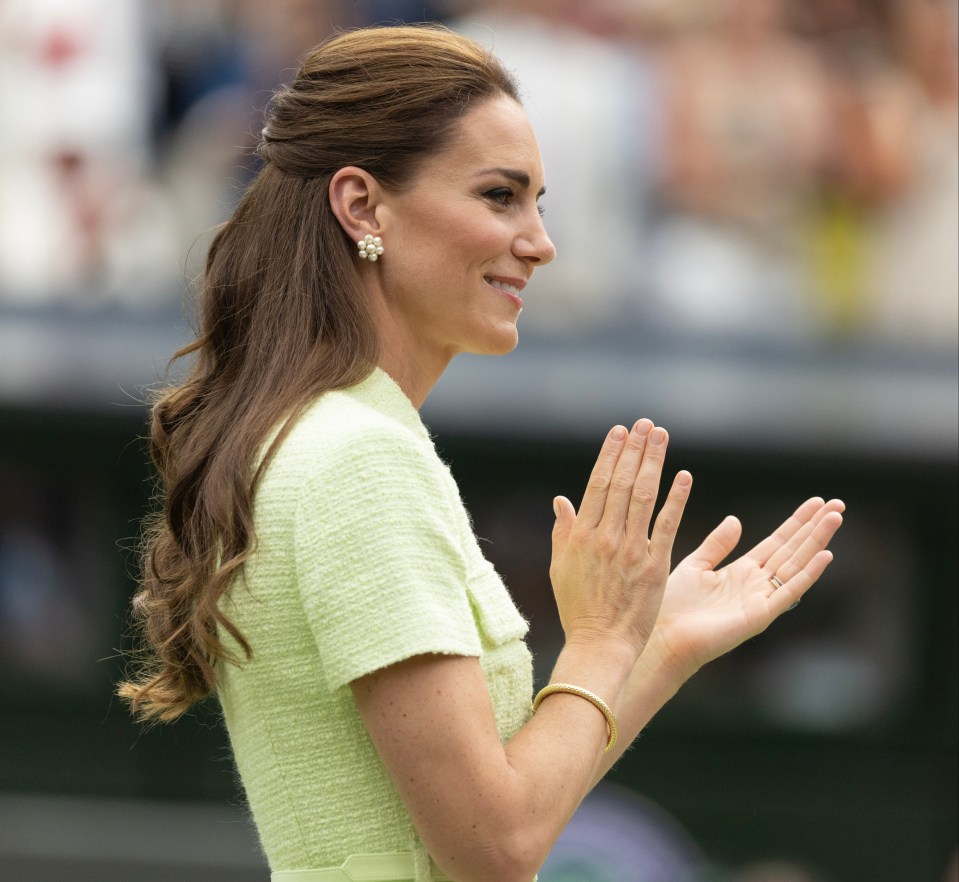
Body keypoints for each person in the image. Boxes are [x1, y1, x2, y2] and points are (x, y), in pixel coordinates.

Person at [118, 25, 844, 882]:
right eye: (500, 196)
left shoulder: (331, 437)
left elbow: (502, 803)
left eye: (537, 202)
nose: (538, 241)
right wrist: (603, 643)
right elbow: (493, 848)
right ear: (361, 206)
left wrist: (656, 646)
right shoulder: (359, 459)